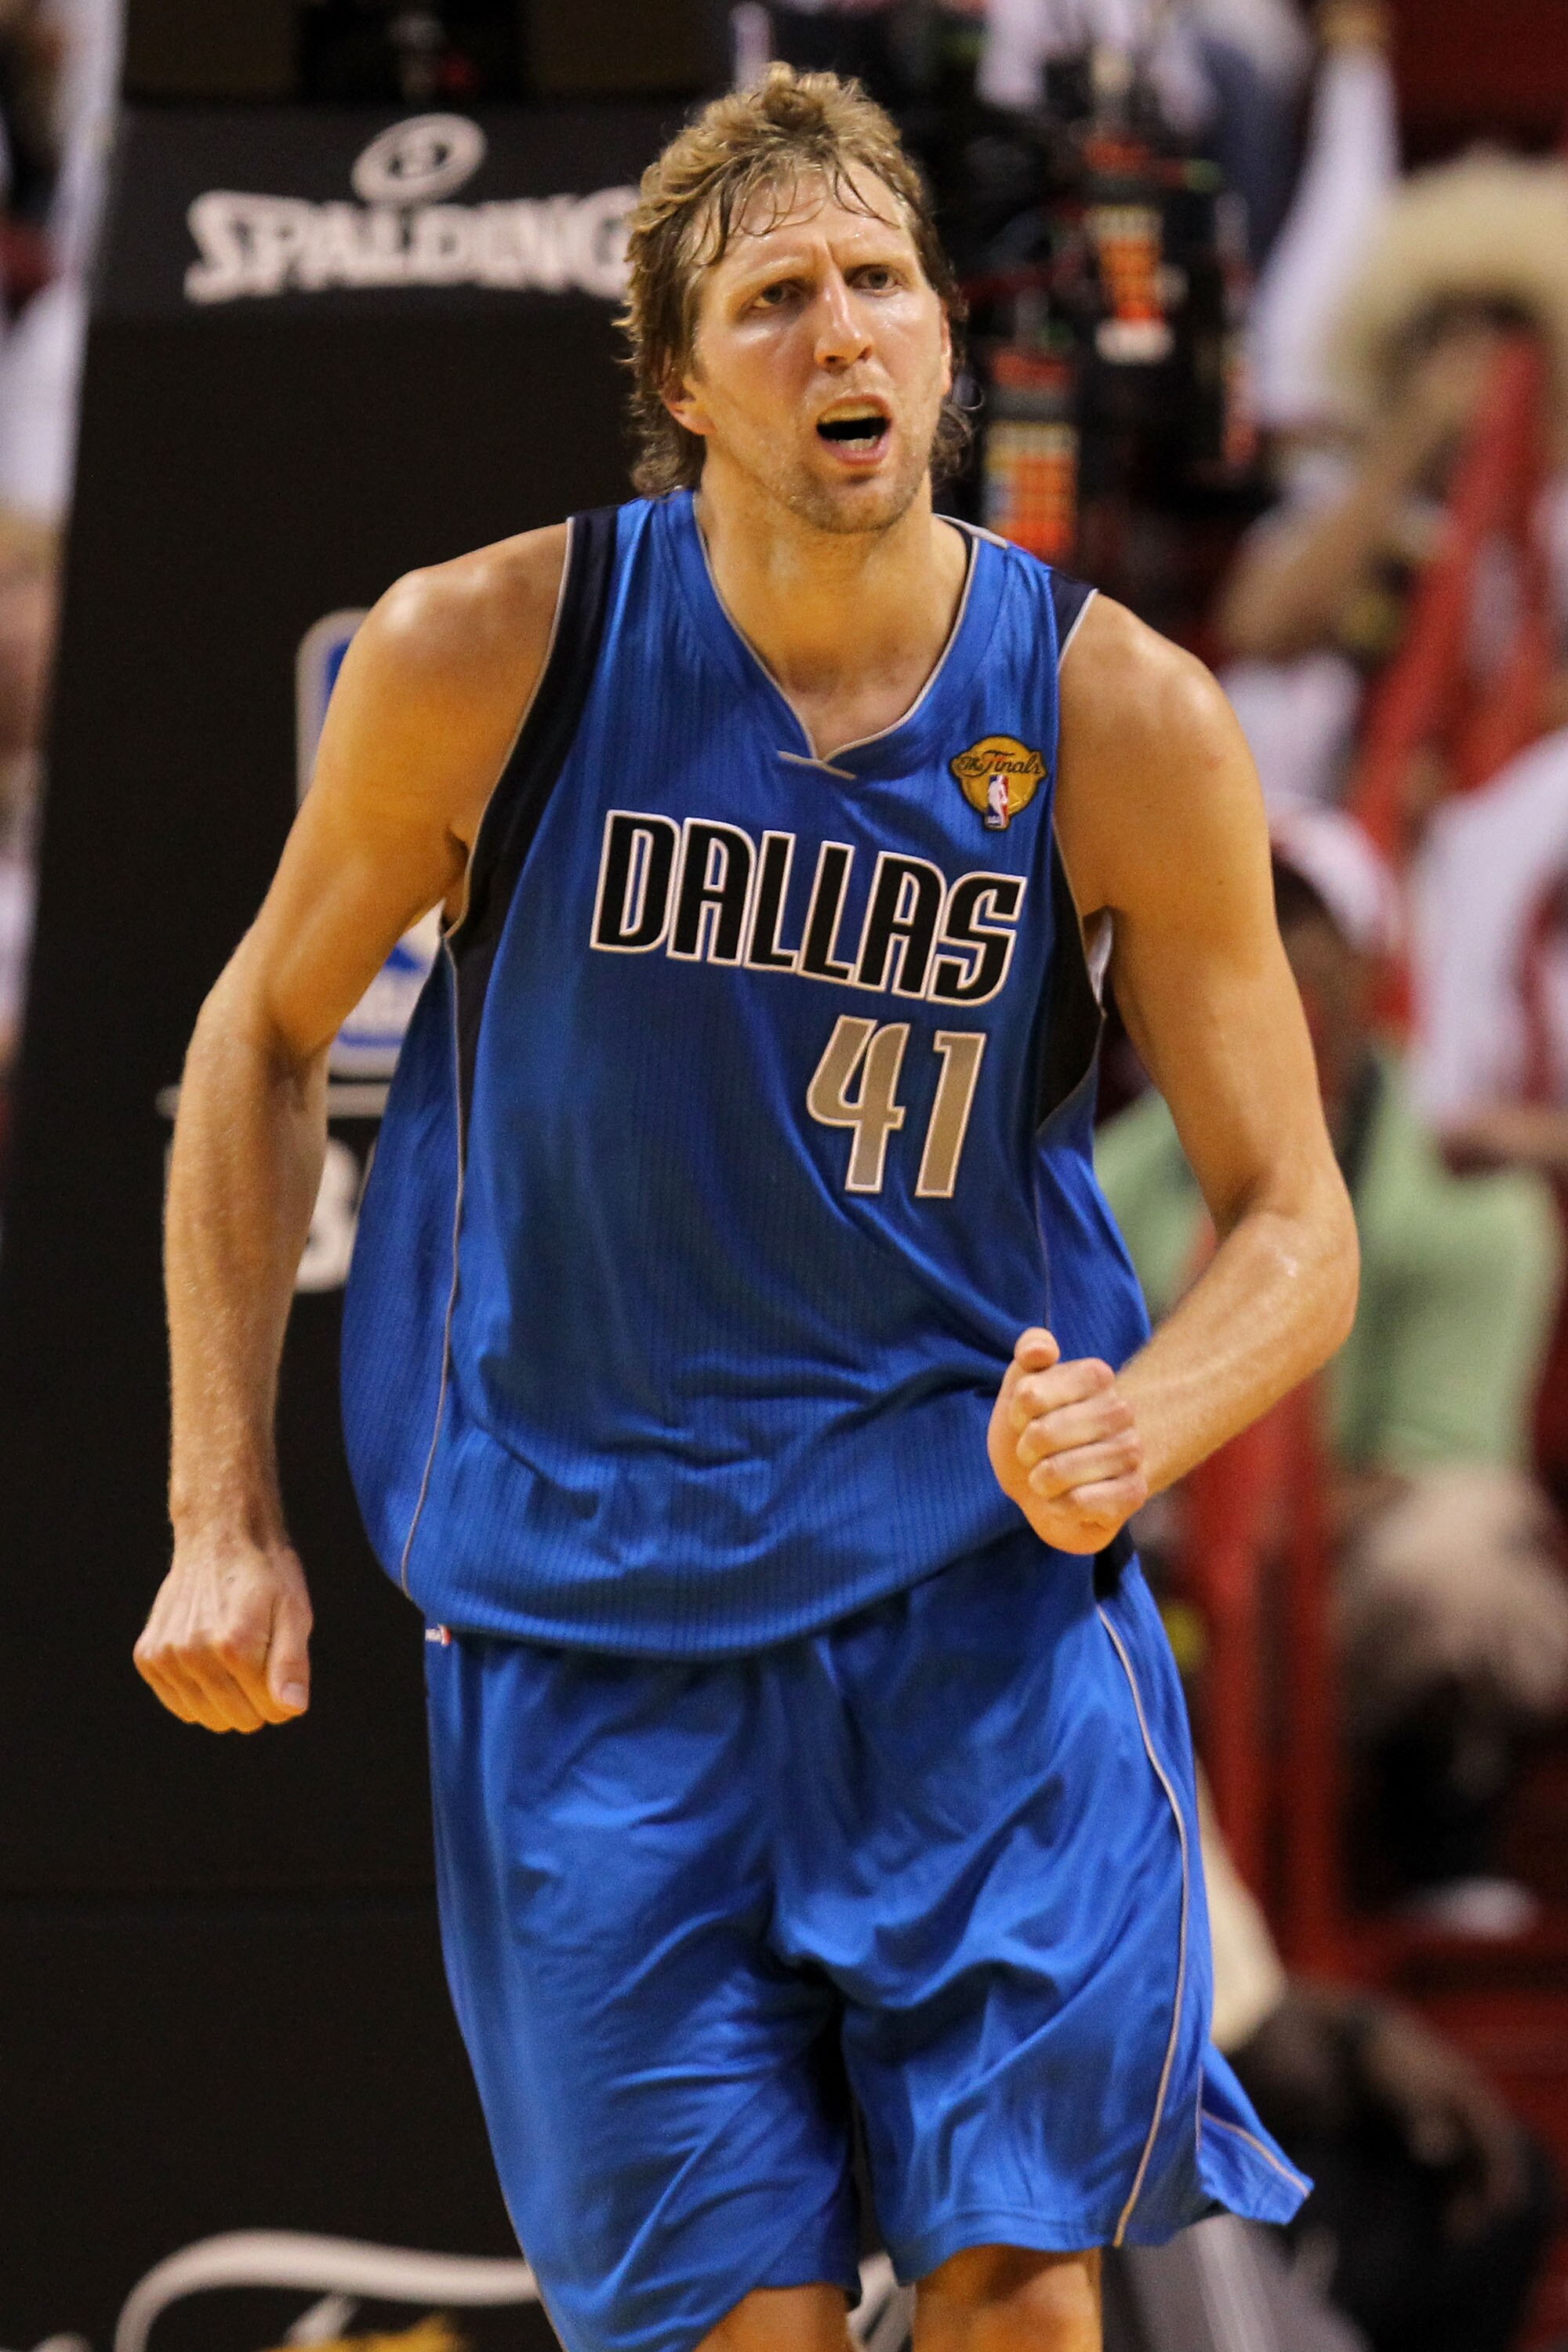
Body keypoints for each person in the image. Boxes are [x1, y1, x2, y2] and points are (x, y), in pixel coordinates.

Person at [132, 67, 1357, 2352]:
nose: (842, 336)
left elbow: (1298, 1223)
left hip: (974, 1611)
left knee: (1021, 2308)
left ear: (946, 342)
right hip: (596, 1635)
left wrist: (1142, 1423)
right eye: (775, 300)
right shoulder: (483, 654)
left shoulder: (1119, 714)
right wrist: (225, 1511)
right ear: (680, 382)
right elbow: (253, 1045)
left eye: (879, 284)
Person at [1098, 807, 1568, 1925]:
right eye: (1245, 920)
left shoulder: (1477, 1204)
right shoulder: (1103, 1178)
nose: (1268, 961)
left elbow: (1442, 1465)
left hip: (1349, 1592)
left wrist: (1239, 1525)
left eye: (1302, 931)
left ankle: (1440, 1815)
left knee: (1456, 1563)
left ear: (1363, 970)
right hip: (1164, 1576)